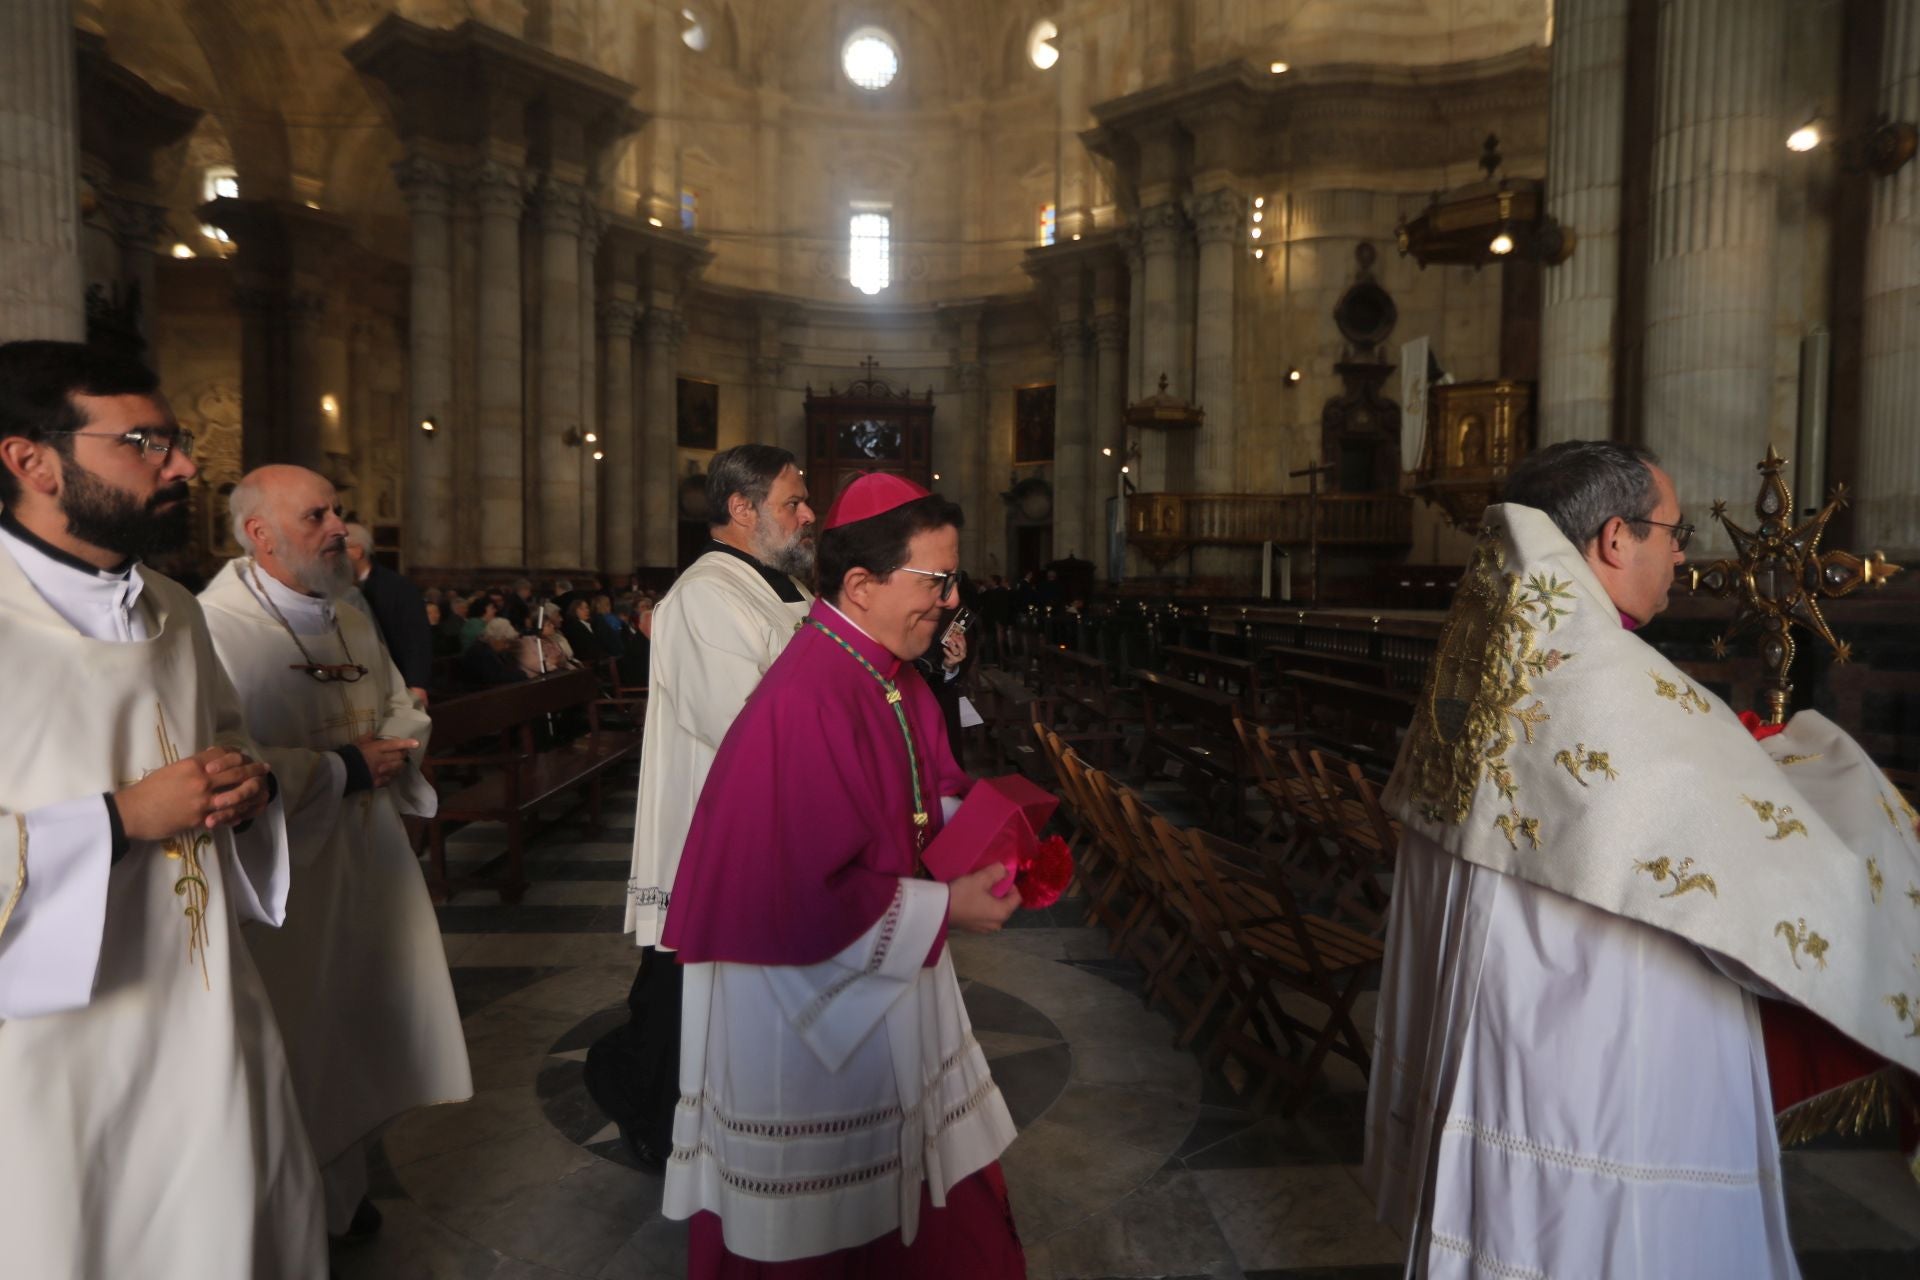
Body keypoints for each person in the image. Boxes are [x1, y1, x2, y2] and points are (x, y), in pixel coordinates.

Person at [1364, 440, 1920, 1279]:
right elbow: (1775, 897)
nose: (1684, 552)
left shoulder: (1480, 664)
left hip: (1502, 1050)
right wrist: (1834, 775)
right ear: (1615, 539)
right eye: (1674, 530)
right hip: (1602, 1082)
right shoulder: (1616, 687)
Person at [0, 340, 325, 1276]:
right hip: (57, 1049)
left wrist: (250, 782)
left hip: (209, 1002)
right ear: (31, 460)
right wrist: (117, 820)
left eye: (176, 441)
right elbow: (137, 805)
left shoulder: (175, 608)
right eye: (145, 442)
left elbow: (229, 736)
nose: (183, 466)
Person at [661, 473, 1026, 1276]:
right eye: (937, 581)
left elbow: (928, 784)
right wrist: (945, 909)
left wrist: (989, 832)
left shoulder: (882, 670)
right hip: (804, 1012)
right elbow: (794, 893)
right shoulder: (808, 698)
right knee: (829, 1231)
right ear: (860, 586)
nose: (953, 599)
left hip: (875, 982)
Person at [200, 464, 472, 1245]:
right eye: (317, 515)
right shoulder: (215, 628)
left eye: (337, 513)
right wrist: (345, 768)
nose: (340, 530)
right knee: (300, 1036)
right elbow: (224, 759)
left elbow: (399, 704)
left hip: (367, 854)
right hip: (286, 871)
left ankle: (347, 1189)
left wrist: (391, 747)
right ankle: (294, 1216)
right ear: (261, 534)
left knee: (361, 1019)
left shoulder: (348, 614)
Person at [587, 444, 817, 1169]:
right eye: (793, 502)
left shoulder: (782, 588)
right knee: (680, 990)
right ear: (742, 510)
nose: (809, 514)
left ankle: (658, 1097)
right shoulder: (708, 593)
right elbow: (740, 725)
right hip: (716, 833)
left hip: (767, 828)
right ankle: (643, 1111)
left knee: (687, 992)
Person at [342, 521, 433, 706]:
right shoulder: (338, 586)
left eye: (340, 549)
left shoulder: (397, 587)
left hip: (396, 676)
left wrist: (417, 684)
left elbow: (417, 637)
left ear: (357, 551)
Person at [460, 616, 526, 687]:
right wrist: (523, 674)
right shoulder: (481, 653)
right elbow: (497, 679)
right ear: (493, 638)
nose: (507, 646)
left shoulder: (487, 648)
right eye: (505, 642)